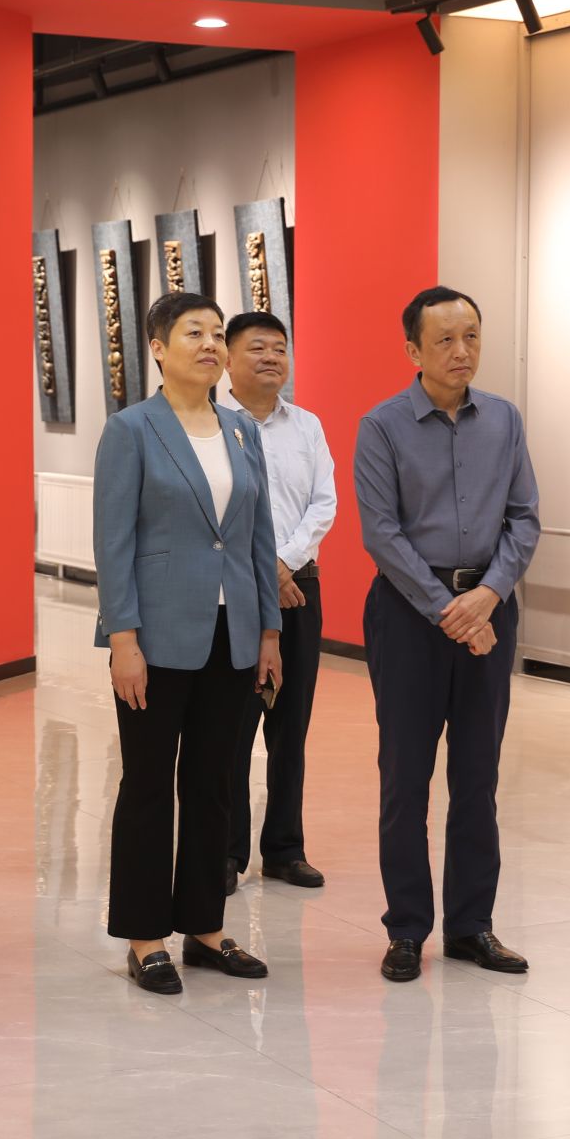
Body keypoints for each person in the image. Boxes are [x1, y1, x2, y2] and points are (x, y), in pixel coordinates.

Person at [94, 291, 283, 994]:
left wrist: (269, 631)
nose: (209, 344)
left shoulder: (240, 430)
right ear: (157, 347)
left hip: (233, 636)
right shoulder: (131, 430)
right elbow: (113, 542)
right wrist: (123, 639)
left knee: (213, 783)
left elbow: (257, 536)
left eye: (215, 333)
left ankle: (205, 926)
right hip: (156, 636)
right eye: (193, 333)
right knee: (148, 784)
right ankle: (145, 935)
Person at [354, 286, 539, 983]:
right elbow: (382, 534)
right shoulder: (381, 427)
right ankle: (406, 928)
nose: (462, 352)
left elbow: (525, 517)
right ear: (413, 350)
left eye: (471, 337)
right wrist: (448, 611)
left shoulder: (505, 419)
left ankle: (471, 926)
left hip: (489, 609)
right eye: (445, 340)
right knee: (405, 777)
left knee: (478, 775)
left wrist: (488, 596)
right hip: (409, 615)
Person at [219, 311, 337, 894]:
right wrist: (268, 570)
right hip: (236, 589)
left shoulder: (307, 425)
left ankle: (285, 849)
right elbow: (218, 510)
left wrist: (284, 564)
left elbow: (324, 503)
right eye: (257, 347)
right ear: (228, 358)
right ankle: (226, 851)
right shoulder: (212, 423)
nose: (272, 357)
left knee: (291, 726)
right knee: (233, 727)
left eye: (280, 348)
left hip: (298, 588)